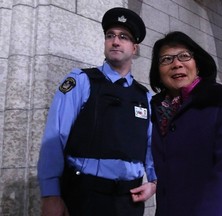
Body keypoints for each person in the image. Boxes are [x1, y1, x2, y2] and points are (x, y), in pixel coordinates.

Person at [37, 7, 157, 216]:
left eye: (123, 37)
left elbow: (150, 146)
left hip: (129, 202)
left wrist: (154, 181)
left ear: (134, 48)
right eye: (110, 35)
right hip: (84, 198)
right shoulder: (81, 81)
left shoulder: (144, 97)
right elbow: (55, 137)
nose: (115, 41)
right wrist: (50, 194)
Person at [149, 31, 222, 216]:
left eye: (184, 56)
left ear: (198, 65)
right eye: (166, 59)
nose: (176, 64)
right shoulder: (157, 110)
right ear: (158, 71)